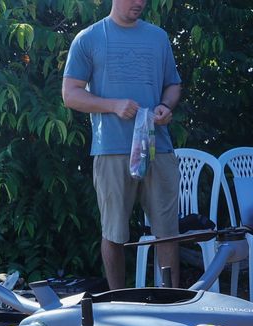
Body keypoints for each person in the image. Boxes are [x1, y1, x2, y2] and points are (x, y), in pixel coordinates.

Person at [62, 0, 183, 290]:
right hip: (111, 149)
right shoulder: (89, 38)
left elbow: (173, 84)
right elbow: (70, 94)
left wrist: (166, 106)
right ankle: (118, 302)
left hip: (158, 146)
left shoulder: (158, 37)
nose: (140, 2)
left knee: (168, 233)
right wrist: (112, 105)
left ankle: (172, 301)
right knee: (114, 233)